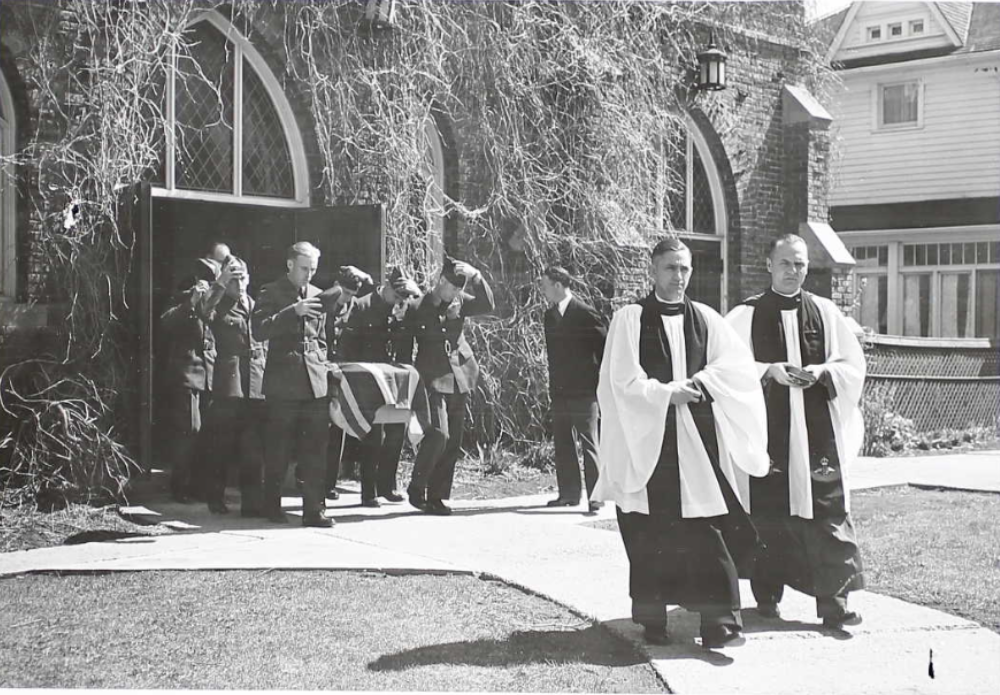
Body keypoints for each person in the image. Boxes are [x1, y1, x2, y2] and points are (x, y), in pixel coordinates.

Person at [592, 237, 769, 649]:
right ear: (653, 270)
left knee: (707, 528)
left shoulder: (705, 317)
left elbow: (736, 366)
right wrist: (666, 394)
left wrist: (702, 382)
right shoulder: (630, 319)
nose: (679, 276)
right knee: (650, 532)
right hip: (649, 442)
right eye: (671, 268)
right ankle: (653, 620)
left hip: (696, 441)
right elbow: (620, 381)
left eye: (685, 268)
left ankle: (720, 622)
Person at [726, 233, 867, 630]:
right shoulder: (746, 315)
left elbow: (851, 366)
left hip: (815, 432)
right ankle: (767, 596)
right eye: (785, 263)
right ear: (769, 265)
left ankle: (835, 604)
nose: (793, 271)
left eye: (800, 264)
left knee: (826, 512)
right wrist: (766, 370)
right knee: (768, 514)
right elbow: (725, 369)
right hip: (770, 431)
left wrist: (822, 373)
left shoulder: (824, 312)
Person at [251, 241, 333, 527]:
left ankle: (314, 510)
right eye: (304, 268)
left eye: (313, 269)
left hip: (314, 382)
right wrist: (292, 312)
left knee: (315, 449)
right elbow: (259, 330)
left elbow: (321, 338)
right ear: (290, 265)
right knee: (279, 448)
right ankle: (271, 505)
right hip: (284, 383)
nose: (308, 275)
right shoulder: (271, 291)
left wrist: (323, 364)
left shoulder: (318, 295)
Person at [406, 255, 495, 515]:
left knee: (453, 440)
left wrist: (476, 275)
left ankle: (436, 497)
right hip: (432, 378)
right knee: (439, 434)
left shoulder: (460, 301)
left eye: (460, 289)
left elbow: (488, 304)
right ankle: (417, 487)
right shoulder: (417, 306)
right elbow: (405, 346)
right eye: (453, 288)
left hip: (460, 376)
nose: (457, 294)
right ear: (442, 281)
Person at [339, 267, 422, 506]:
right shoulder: (362, 305)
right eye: (396, 296)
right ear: (386, 287)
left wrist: (400, 320)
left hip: (393, 376)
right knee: (373, 435)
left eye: (402, 298)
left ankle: (387, 486)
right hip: (368, 378)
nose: (398, 301)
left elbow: (403, 343)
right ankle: (368, 491)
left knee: (396, 431)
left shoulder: (400, 311)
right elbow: (348, 344)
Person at [200, 256, 269, 517]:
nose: (239, 284)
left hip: (256, 383)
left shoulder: (255, 305)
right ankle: (215, 497)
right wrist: (221, 281)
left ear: (249, 279)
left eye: (242, 278)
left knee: (253, 447)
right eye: (233, 280)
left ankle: (252, 503)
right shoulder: (219, 306)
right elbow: (204, 310)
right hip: (230, 384)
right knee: (223, 445)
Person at [539, 266, 607, 513]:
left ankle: (596, 496)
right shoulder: (549, 316)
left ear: (558, 285)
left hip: (584, 392)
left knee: (589, 442)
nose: (543, 291)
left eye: (546, 285)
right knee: (563, 442)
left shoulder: (586, 314)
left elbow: (605, 350)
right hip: (559, 390)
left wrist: (596, 384)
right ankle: (568, 494)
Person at [159, 256, 220, 503]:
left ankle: (199, 486)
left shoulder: (218, 299)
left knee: (207, 434)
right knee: (189, 430)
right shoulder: (183, 297)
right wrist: (191, 301)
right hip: (188, 374)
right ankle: (180, 486)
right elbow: (166, 322)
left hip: (211, 374)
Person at [317, 265, 375, 500]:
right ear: (335, 286)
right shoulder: (322, 303)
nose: (348, 298)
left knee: (338, 427)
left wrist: (363, 275)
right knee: (318, 429)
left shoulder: (355, 308)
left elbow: (372, 287)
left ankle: (329, 484)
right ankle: (308, 477)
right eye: (345, 292)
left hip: (341, 373)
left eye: (352, 294)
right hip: (320, 371)